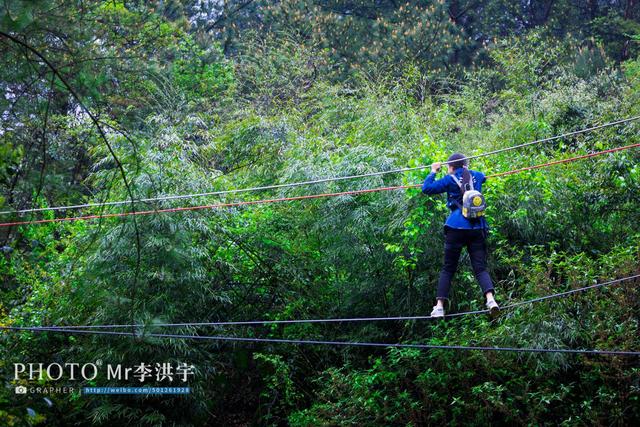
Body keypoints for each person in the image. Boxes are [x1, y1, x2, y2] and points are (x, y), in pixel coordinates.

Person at [421, 152, 499, 318]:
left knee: (448, 268)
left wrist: (433, 171)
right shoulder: (476, 175)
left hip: (456, 226)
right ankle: (491, 300)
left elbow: (426, 188)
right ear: (465, 165)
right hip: (477, 227)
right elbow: (483, 177)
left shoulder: (449, 179)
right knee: (480, 268)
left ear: (450, 167)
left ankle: (440, 306)